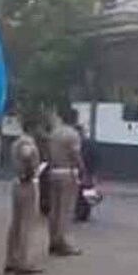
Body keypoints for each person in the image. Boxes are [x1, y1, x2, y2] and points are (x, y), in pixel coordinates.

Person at [6, 112, 46, 275]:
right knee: (27, 224)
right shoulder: (27, 142)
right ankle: (23, 262)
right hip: (27, 185)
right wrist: (30, 173)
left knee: (16, 223)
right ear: (34, 127)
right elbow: (27, 155)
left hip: (16, 183)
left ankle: (11, 259)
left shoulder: (15, 142)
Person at [45, 107, 85, 257]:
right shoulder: (72, 135)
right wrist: (82, 168)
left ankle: (53, 241)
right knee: (65, 210)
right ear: (75, 119)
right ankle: (64, 243)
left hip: (53, 171)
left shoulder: (54, 134)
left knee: (54, 210)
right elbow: (75, 154)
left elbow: (47, 153)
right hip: (67, 173)